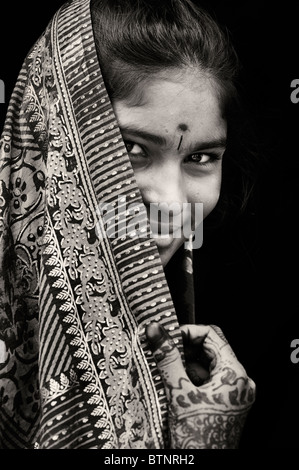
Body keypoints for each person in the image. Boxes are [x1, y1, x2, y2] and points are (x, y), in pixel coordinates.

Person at [0, 0, 257, 449]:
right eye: (133, 151)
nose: (174, 204)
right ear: (51, 142)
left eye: (200, 158)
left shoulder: (178, 359)